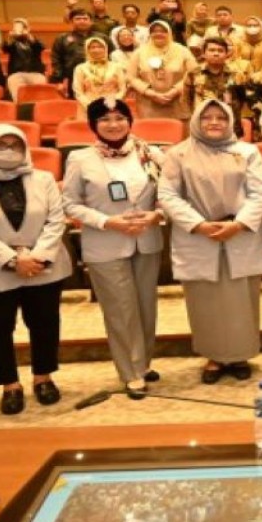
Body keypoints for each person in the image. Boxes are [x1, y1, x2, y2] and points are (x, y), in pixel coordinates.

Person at [0, 124, 73, 415]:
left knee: (45, 323)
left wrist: (39, 256)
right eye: (0, 146)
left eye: (15, 145)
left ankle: (43, 377)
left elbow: (56, 220)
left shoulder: (43, 179)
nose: (9, 151)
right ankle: (9, 384)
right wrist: (11, 259)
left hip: (43, 266)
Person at [158, 100, 262, 383]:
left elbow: (260, 192)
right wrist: (198, 225)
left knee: (240, 300)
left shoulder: (247, 152)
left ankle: (240, 354)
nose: (214, 122)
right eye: (207, 117)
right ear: (196, 120)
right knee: (204, 300)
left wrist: (239, 224)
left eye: (221, 117)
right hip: (198, 236)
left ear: (231, 121)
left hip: (240, 234)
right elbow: (168, 194)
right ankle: (213, 356)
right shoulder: (179, 154)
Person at [61, 98, 166, 395]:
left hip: (146, 240)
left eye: (120, 117)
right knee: (120, 309)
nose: (113, 124)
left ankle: (143, 362)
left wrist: (157, 214)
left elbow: (171, 192)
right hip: (105, 243)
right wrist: (108, 222)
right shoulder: (80, 159)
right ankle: (130, 371)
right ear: (93, 125)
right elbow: (69, 203)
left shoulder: (150, 153)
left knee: (145, 306)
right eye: (104, 119)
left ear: (130, 121)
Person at [72, 37, 128, 109]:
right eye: (92, 47)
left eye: (100, 47)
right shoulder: (80, 68)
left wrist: (112, 103)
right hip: (87, 106)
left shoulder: (116, 67)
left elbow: (122, 89)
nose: (96, 50)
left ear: (105, 49)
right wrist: (91, 105)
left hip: (113, 106)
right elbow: (78, 92)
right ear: (87, 50)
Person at [2, 17, 47, 100]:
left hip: (36, 72)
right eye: (16, 27)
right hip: (16, 73)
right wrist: (10, 38)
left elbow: (40, 47)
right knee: (19, 98)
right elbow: (5, 49)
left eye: (22, 27)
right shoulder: (12, 42)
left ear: (27, 28)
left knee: (39, 98)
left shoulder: (34, 40)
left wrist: (29, 36)